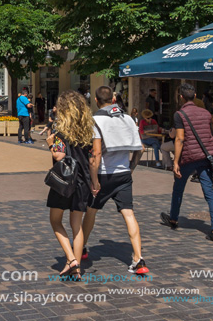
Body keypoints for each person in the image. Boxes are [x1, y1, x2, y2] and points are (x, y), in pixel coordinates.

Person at [82, 86, 147, 275]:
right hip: (123, 173)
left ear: (95, 100)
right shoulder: (127, 119)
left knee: (91, 212)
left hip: (103, 174)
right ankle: (138, 258)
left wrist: (94, 180)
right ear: (113, 99)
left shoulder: (94, 121)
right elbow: (140, 148)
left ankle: (82, 248)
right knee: (129, 214)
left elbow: (96, 153)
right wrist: (131, 169)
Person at [46, 91, 100, 281]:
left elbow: (58, 156)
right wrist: (94, 181)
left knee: (55, 220)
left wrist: (51, 144)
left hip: (64, 181)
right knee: (77, 225)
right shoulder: (88, 130)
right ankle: (76, 270)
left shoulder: (59, 131)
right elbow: (93, 158)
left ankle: (71, 260)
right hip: (83, 181)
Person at [160, 83, 213, 243]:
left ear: (181, 97)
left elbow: (180, 138)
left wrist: (176, 162)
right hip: (205, 156)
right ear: (195, 96)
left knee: (178, 188)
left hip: (189, 157)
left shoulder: (179, 114)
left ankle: (174, 218)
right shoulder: (206, 113)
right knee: (209, 192)